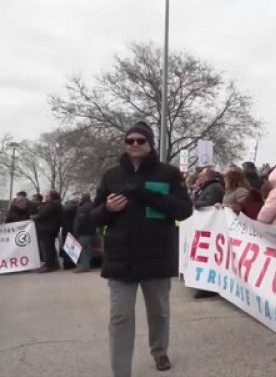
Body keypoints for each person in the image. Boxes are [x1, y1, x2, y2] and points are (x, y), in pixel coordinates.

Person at [91, 121, 193, 376]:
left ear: (149, 144)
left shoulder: (168, 173)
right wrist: (107, 209)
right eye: (130, 141)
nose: (135, 144)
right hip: (121, 257)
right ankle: (121, 370)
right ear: (125, 145)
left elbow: (184, 210)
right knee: (120, 317)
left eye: (140, 140)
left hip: (157, 254)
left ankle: (159, 351)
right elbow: (91, 217)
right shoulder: (111, 175)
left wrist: (150, 196)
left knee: (158, 312)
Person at [31, 190, 63, 272]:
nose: (45, 197)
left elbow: (42, 215)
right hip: (51, 229)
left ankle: (49, 265)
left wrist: (33, 217)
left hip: (47, 229)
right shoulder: (56, 204)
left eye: (47, 196)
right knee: (50, 247)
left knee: (46, 248)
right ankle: (51, 264)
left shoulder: (52, 204)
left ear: (52, 196)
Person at [72, 193, 96, 273]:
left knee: (83, 250)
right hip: (92, 230)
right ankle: (88, 265)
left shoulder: (83, 208)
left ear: (83, 199)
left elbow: (80, 221)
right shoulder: (94, 206)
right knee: (88, 249)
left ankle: (85, 267)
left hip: (83, 232)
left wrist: (76, 231)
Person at [60, 194, 81, 270]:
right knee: (72, 247)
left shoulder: (66, 207)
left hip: (66, 229)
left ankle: (67, 264)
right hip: (72, 229)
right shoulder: (75, 208)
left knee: (67, 247)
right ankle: (71, 264)